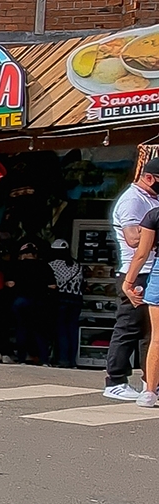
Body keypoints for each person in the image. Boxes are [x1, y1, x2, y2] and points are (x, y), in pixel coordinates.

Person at [104, 148, 159, 398]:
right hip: (136, 272)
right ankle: (115, 380)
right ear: (149, 177)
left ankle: (151, 381)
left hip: (151, 270)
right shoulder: (133, 199)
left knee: (151, 331)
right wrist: (151, 231)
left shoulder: (151, 199)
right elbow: (132, 238)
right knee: (129, 327)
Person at [5, 243, 52, 365]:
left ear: (22, 254)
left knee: (22, 329)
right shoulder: (44, 266)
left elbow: (10, 284)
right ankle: (44, 360)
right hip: (39, 301)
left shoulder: (16, 266)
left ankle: (22, 359)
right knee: (40, 331)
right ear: (35, 254)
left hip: (21, 301)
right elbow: (53, 286)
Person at [47, 239, 83, 369]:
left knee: (61, 329)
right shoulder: (77, 265)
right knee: (72, 330)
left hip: (61, 300)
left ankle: (63, 359)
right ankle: (73, 360)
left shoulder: (51, 265)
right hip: (77, 300)